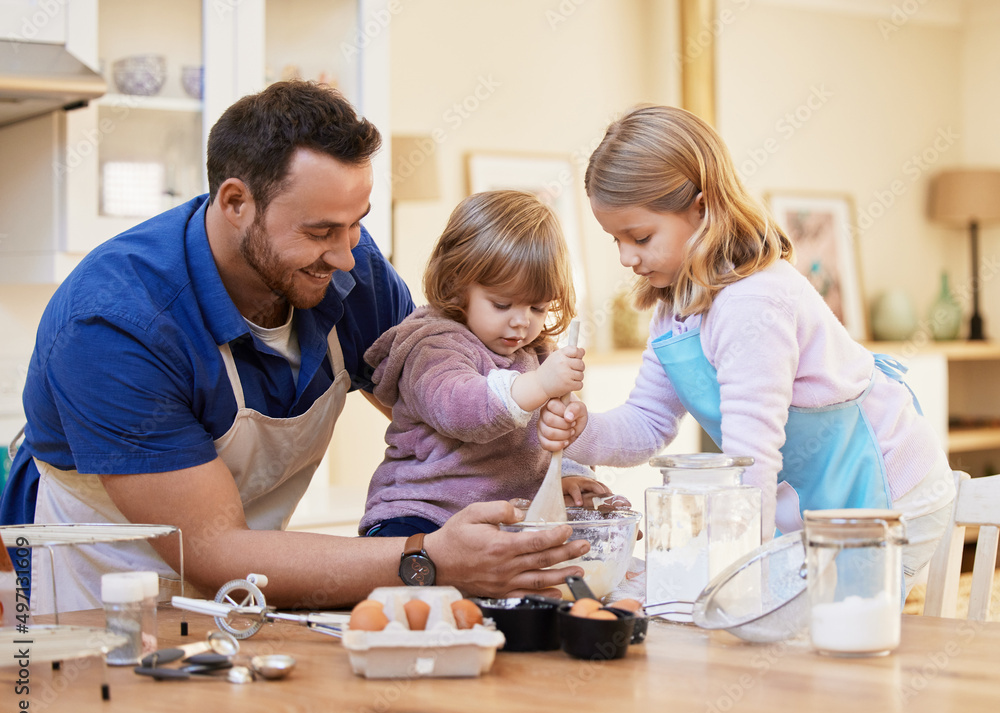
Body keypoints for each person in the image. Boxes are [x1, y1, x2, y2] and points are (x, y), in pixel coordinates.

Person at [0, 81, 589, 613]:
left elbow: (445, 412)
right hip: (106, 591)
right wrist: (428, 557)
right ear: (236, 203)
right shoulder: (116, 324)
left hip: (260, 581)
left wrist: (544, 471)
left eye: (356, 222)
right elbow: (211, 552)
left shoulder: (352, 272)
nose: (345, 254)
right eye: (319, 232)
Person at [539, 105, 953, 595]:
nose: (628, 257)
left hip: (891, 497)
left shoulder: (752, 303)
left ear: (701, 206)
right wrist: (580, 429)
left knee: (822, 631)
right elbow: (647, 423)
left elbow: (750, 457)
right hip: (814, 504)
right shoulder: (675, 308)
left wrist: (732, 575)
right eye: (616, 240)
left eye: (641, 237)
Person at [360, 190, 608, 538]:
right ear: (457, 286)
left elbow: (548, 441)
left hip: (506, 521)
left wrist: (568, 471)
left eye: (537, 308)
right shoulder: (433, 345)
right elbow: (461, 408)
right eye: (502, 304)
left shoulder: (537, 354)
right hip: (423, 515)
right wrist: (539, 386)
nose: (522, 322)